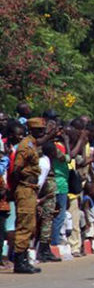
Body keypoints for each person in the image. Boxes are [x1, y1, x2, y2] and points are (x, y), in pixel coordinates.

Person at [11, 117, 46, 273]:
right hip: (25, 188)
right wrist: (22, 182)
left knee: (30, 224)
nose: (42, 132)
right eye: (39, 129)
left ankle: (24, 258)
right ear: (31, 130)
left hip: (30, 188)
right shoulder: (26, 146)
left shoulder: (32, 144)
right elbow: (16, 168)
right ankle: (19, 261)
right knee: (24, 224)